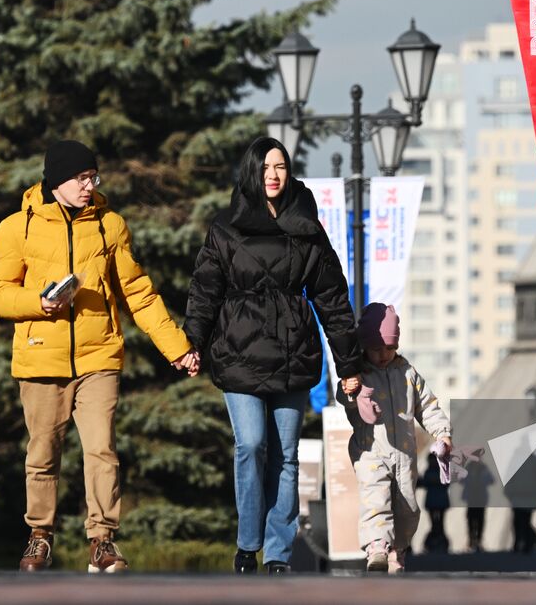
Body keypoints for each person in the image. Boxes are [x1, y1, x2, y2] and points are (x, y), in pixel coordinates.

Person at [0, 139, 199, 573]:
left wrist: (178, 348)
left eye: (92, 177)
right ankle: (40, 535)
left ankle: (102, 540)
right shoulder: (17, 228)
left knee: (102, 449)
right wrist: (38, 303)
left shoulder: (109, 225)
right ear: (57, 180)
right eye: (82, 178)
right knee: (42, 452)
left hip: (99, 356)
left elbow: (138, 292)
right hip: (41, 357)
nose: (89, 185)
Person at [184, 137, 363, 575]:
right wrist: (192, 344)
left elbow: (333, 299)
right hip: (237, 351)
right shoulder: (226, 226)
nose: (273, 174)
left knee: (285, 455)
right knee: (250, 444)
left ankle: (279, 553)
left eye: (280, 165)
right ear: (251, 171)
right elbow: (205, 290)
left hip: (292, 352)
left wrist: (349, 366)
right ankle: (248, 545)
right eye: (265, 166)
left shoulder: (307, 224)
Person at [337, 302, 452, 573]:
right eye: (377, 348)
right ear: (365, 346)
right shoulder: (359, 374)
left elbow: (428, 406)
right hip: (371, 452)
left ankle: (397, 549)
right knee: (375, 498)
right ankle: (377, 546)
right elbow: (345, 397)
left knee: (408, 509)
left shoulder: (408, 374)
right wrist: (351, 390)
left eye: (390, 347)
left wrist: (442, 434)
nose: (384, 354)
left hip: (404, 453)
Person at [418, 451, 451, 553]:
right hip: (433, 502)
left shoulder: (440, 471)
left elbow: (447, 482)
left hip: (440, 502)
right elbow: (423, 483)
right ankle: (435, 543)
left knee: (440, 524)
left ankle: (440, 543)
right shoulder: (430, 471)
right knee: (434, 524)